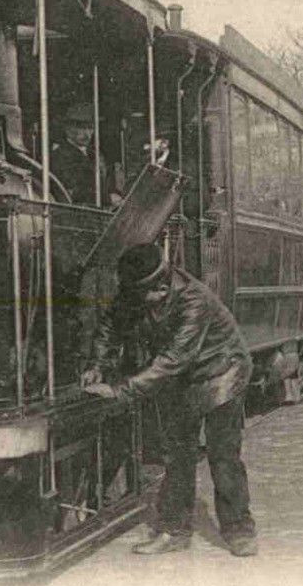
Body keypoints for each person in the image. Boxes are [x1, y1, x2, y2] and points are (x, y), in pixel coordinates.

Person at [81, 244, 257, 557]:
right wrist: (98, 365)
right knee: (177, 456)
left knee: (223, 455)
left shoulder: (194, 299)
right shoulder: (137, 292)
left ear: (162, 289)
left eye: (140, 297)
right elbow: (111, 325)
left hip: (222, 374)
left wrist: (120, 390)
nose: (133, 303)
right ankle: (174, 531)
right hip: (182, 378)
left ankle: (239, 530)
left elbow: (173, 358)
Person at [50, 102, 99, 205]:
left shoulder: (95, 155)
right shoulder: (58, 156)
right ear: (68, 129)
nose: (87, 134)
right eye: (82, 128)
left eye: (90, 128)